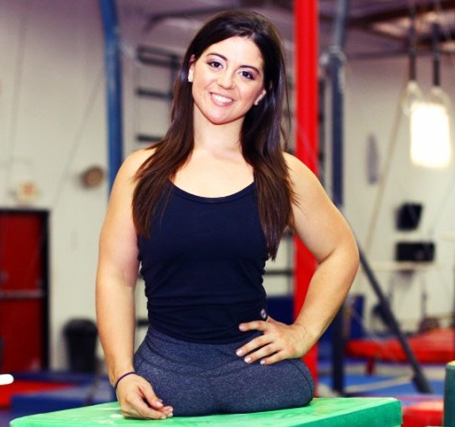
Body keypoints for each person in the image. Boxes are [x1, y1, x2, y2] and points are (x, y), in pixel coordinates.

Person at [95, 9, 359, 419]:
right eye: (216, 63)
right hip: (167, 375)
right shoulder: (140, 171)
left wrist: (304, 332)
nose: (226, 82)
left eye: (246, 73)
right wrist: (122, 373)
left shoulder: (283, 174)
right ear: (190, 67)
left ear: (262, 91)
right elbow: (115, 276)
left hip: (260, 376)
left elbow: (341, 250)